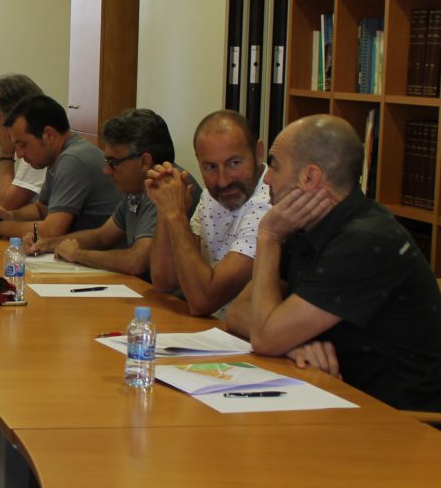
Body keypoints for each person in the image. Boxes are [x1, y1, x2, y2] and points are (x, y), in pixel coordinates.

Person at [225, 114, 441, 412]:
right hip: (335, 397)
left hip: (400, 423)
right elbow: (238, 312)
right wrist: (290, 341)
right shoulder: (310, 225)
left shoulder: (366, 240)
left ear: (310, 177)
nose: (268, 179)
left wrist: (269, 236)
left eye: (274, 165)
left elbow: (263, 337)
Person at [28, 109, 201, 279]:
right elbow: (102, 237)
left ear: (144, 161)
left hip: (174, 301)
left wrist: (78, 254)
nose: (106, 170)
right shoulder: (137, 187)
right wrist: (48, 243)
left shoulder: (166, 186)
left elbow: (136, 261)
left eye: (113, 162)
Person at [147, 110, 271, 316]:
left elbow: (204, 300)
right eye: (210, 167)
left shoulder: (268, 204)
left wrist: (176, 215)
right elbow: (164, 280)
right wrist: (166, 206)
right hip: (209, 332)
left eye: (234, 163)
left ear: (258, 152)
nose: (223, 180)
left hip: (243, 341)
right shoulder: (212, 196)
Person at [0, 94, 121, 240]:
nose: (19, 154)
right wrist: (9, 215)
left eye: (23, 145)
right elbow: (41, 209)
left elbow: (52, 231)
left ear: (48, 135)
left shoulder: (73, 159)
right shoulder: (59, 156)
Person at [0, 74, 46, 212]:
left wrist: (6, 154)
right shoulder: (20, 139)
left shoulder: (37, 144)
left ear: (14, 112)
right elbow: (0, 184)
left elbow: (7, 206)